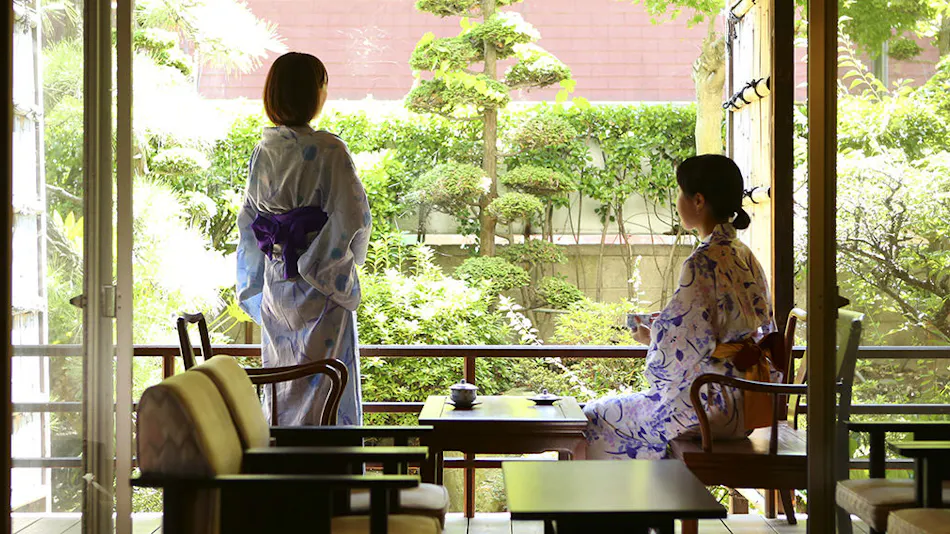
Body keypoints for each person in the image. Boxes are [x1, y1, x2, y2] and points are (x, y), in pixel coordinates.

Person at [583, 154, 779, 459]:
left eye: (679, 193)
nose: (677, 201)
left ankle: (643, 504)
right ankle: (662, 502)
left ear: (698, 200)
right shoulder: (744, 254)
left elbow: (682, 350)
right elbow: (755, 328)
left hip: (710, 402)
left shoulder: (702, 261)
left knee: (592, 418)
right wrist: (667, 332)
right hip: (749, 400)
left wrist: (654, 338)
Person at [236, 52, 371, 426]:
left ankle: (283, 479)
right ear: (313, 93)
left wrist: (261, 275)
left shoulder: (263, 150)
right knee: (330, 385)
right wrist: (330, 263)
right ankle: (330, 480)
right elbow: (353, 215)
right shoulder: (329, 149)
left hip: (277, 285)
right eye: (321, 84)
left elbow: (249, 221)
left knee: (282, 385)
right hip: (321, 283)